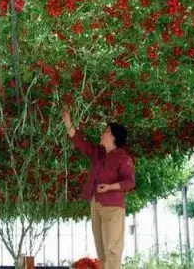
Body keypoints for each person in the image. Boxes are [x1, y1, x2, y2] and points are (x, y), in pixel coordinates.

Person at [62, 106, 135, 269]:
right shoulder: (98, 154)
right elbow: (80, 142)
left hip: (113, 207)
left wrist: (110, 187)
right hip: (96, 204)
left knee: (112, 250)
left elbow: (130, 181)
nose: (103, 132)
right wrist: (68, 123)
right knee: (101, 252)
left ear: (114, 137)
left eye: (106, 131)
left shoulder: (124, 159)